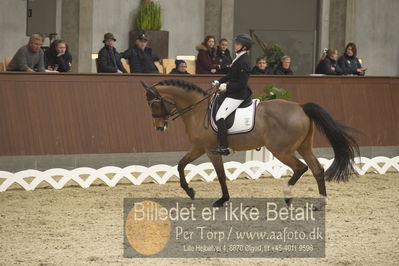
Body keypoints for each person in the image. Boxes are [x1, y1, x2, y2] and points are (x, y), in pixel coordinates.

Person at [210, 34, 253, 156]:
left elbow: (242, 84)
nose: (235, 45)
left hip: (238, 95)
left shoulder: (244, 61)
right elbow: (230, 75)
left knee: (220, 116)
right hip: (232, 92)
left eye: (238, 43)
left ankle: (224, 146)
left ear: (244, 47)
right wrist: (219, 81)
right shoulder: (238, 58)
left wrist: (226, 87)